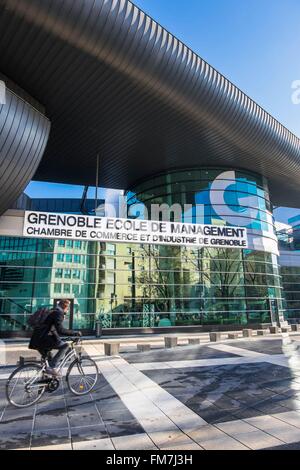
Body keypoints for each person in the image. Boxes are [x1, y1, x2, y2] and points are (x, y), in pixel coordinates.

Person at [29, 299, 82, 376]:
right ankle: (52, 367)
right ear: (65, 306)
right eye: (68, 308)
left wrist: (59, 338)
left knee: (48, 360)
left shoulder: (52, 311)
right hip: (43, 339)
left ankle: (46, 381)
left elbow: (52, 329)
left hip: (36, 339)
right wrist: (75, 333)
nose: (68, 310)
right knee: (65, 346)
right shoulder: (58, 313)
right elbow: (60, 330)